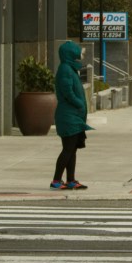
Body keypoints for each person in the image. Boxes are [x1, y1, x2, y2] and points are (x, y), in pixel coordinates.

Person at [51, 40, 93, 190]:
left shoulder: (69, 68)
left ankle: (71, 180)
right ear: (69, 53)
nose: (80, 55)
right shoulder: (65, 70)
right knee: (68, 149)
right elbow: (67, 92)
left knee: (72, 149)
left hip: (73, 116)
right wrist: (79, 103)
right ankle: (56, 180)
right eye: (77, 52)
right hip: (68, 116)